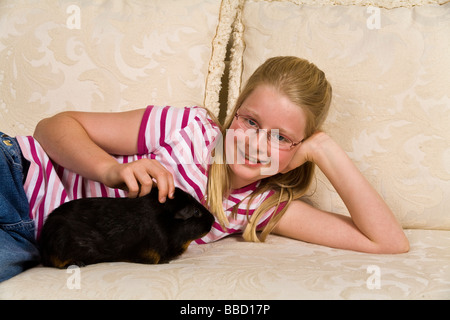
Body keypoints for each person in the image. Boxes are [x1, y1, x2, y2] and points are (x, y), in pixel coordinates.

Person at [0, 56, 409, 282]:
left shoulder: (260, 207)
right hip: (15, 173)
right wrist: (108, 170)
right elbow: (52, 127)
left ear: (300, 147)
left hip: (28, 240)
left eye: (281, 138)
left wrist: (326, 150)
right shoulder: (188, 130)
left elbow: (388, 242)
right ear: (233, 115)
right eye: (250, 122)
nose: (255, 143)